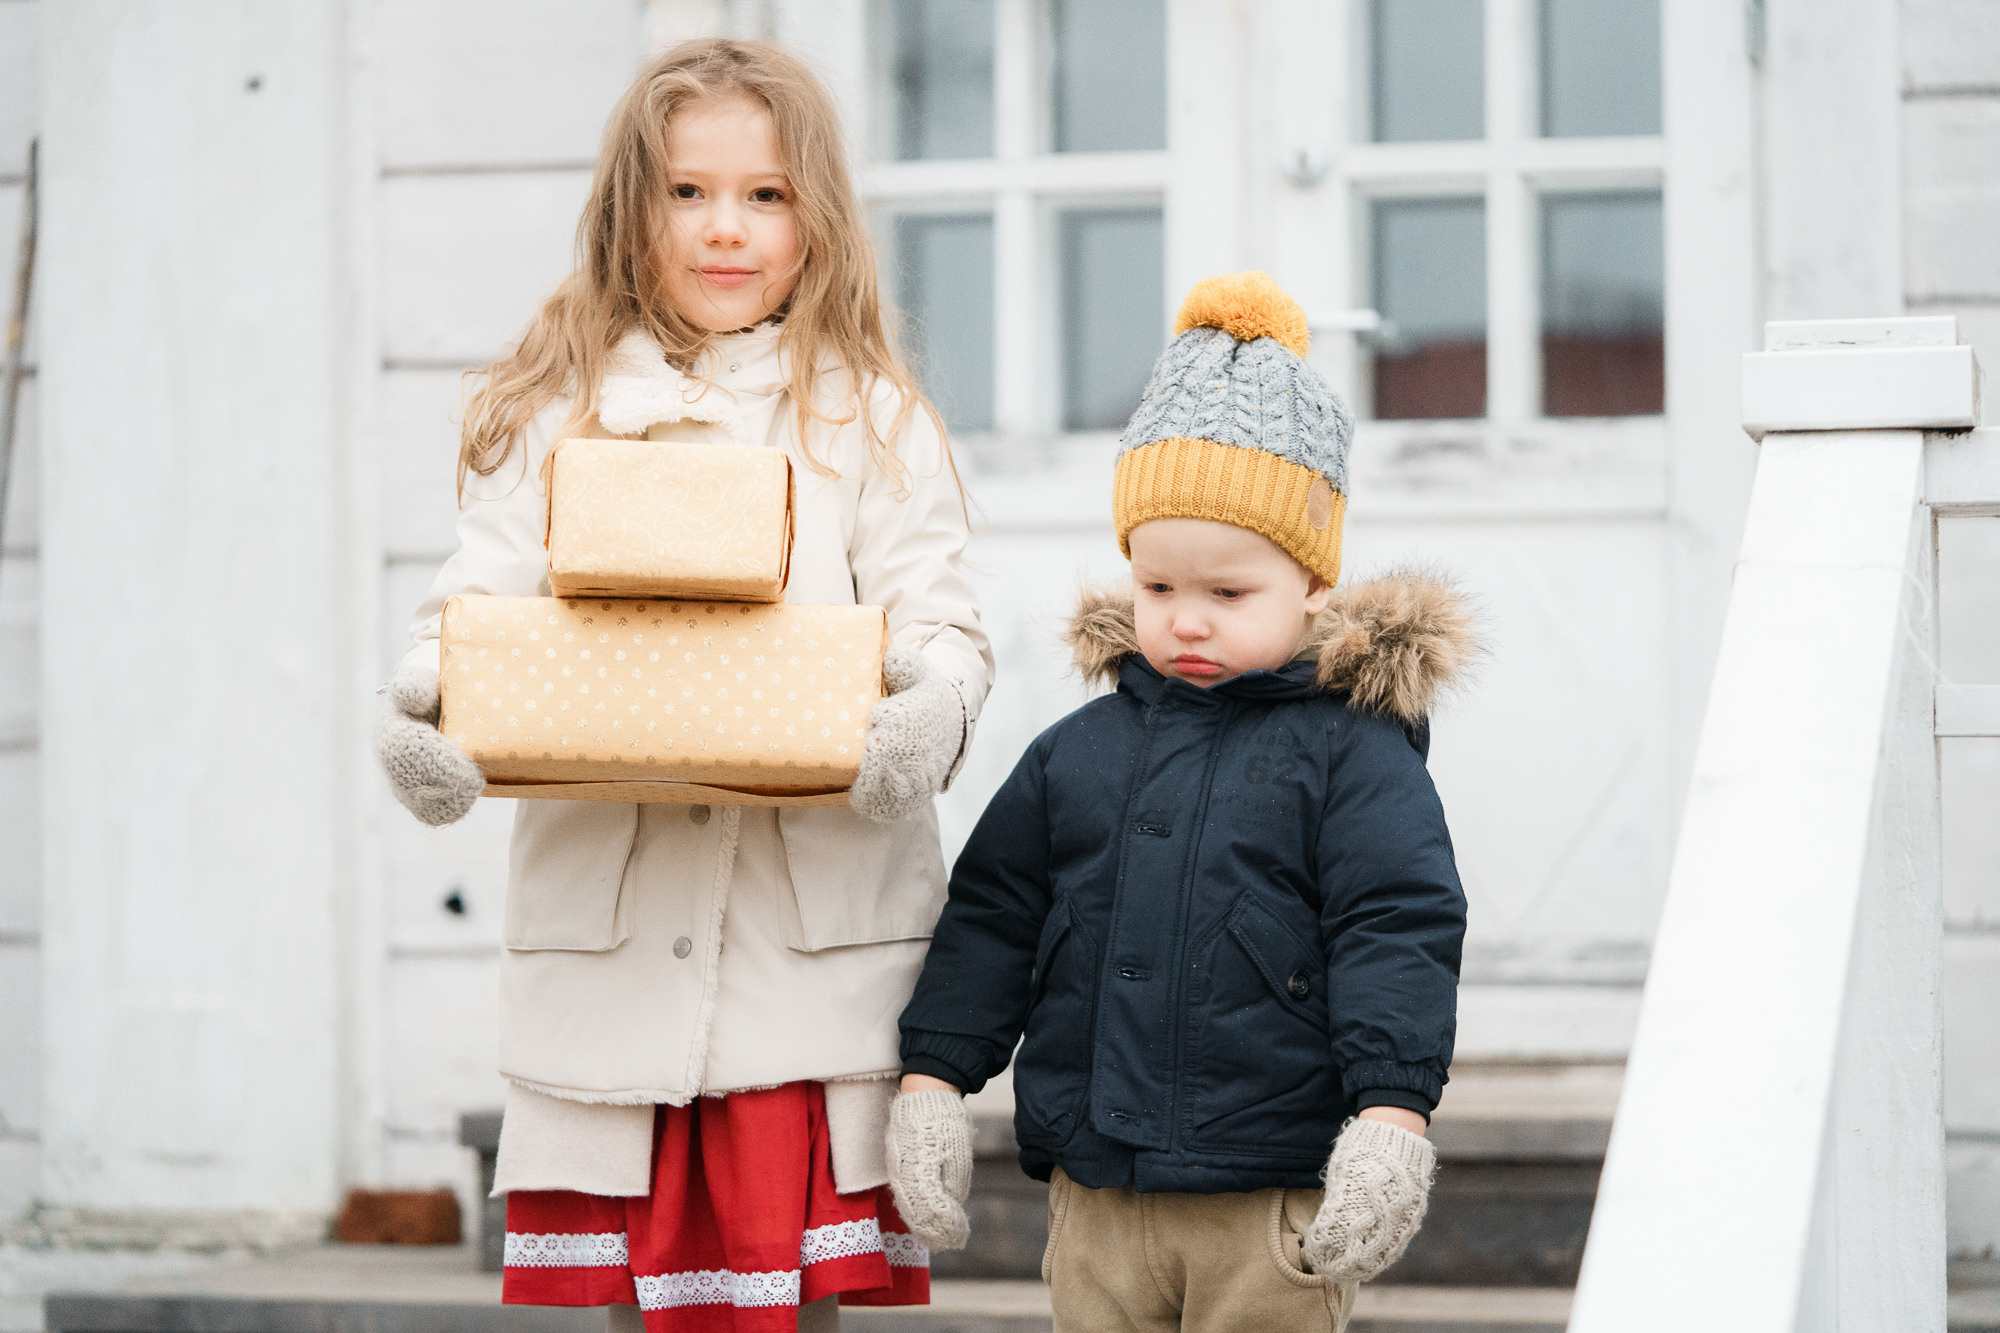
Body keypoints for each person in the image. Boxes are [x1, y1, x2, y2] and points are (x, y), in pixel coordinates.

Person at [374, 39, 991, 1333]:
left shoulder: (871, 419)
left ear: (816, 219)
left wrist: (930, 706)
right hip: (618, 956)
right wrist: (426, 704)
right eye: (688, 193)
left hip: (802, 959)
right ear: (628, 210)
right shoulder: (554, 410)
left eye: (765, 196)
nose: (726, 229)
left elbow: (939, 620)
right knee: (639, 1303)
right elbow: (474, 610)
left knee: (791, 1303)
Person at [884, 273, 1474, 1332]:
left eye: (1227, 593)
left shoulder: (1353, 754)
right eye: (1157, 588)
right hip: (1097, 1198)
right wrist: (934, 1076)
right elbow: (993, 917)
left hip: (1268, 1200)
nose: (1186, 620)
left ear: (1314, 585)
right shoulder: (1077, 753)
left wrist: (1392, 1113)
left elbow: (1396, 924)